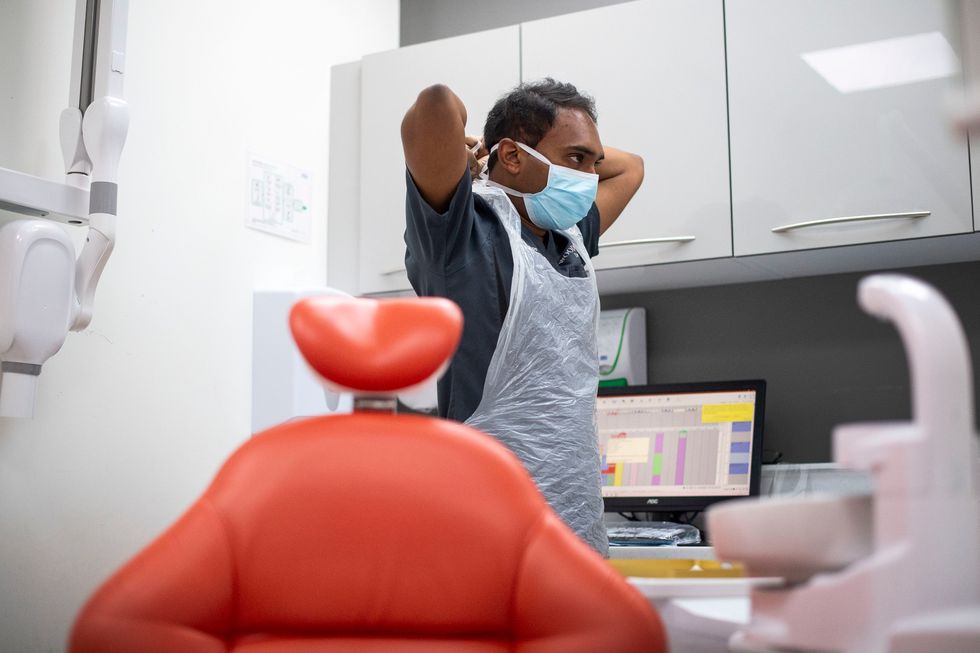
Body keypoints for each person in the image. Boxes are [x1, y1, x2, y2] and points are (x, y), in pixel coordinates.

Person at [401, 78, 644, 555]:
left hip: (576, 524)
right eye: (576, 159)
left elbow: (631, 167)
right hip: (487, 532)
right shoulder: (462, 237)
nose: (589, 177)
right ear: (512, 156)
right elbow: (437, 104)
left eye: (593, 164)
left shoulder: (569, 237)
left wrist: (570, 151)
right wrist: (483, 148)